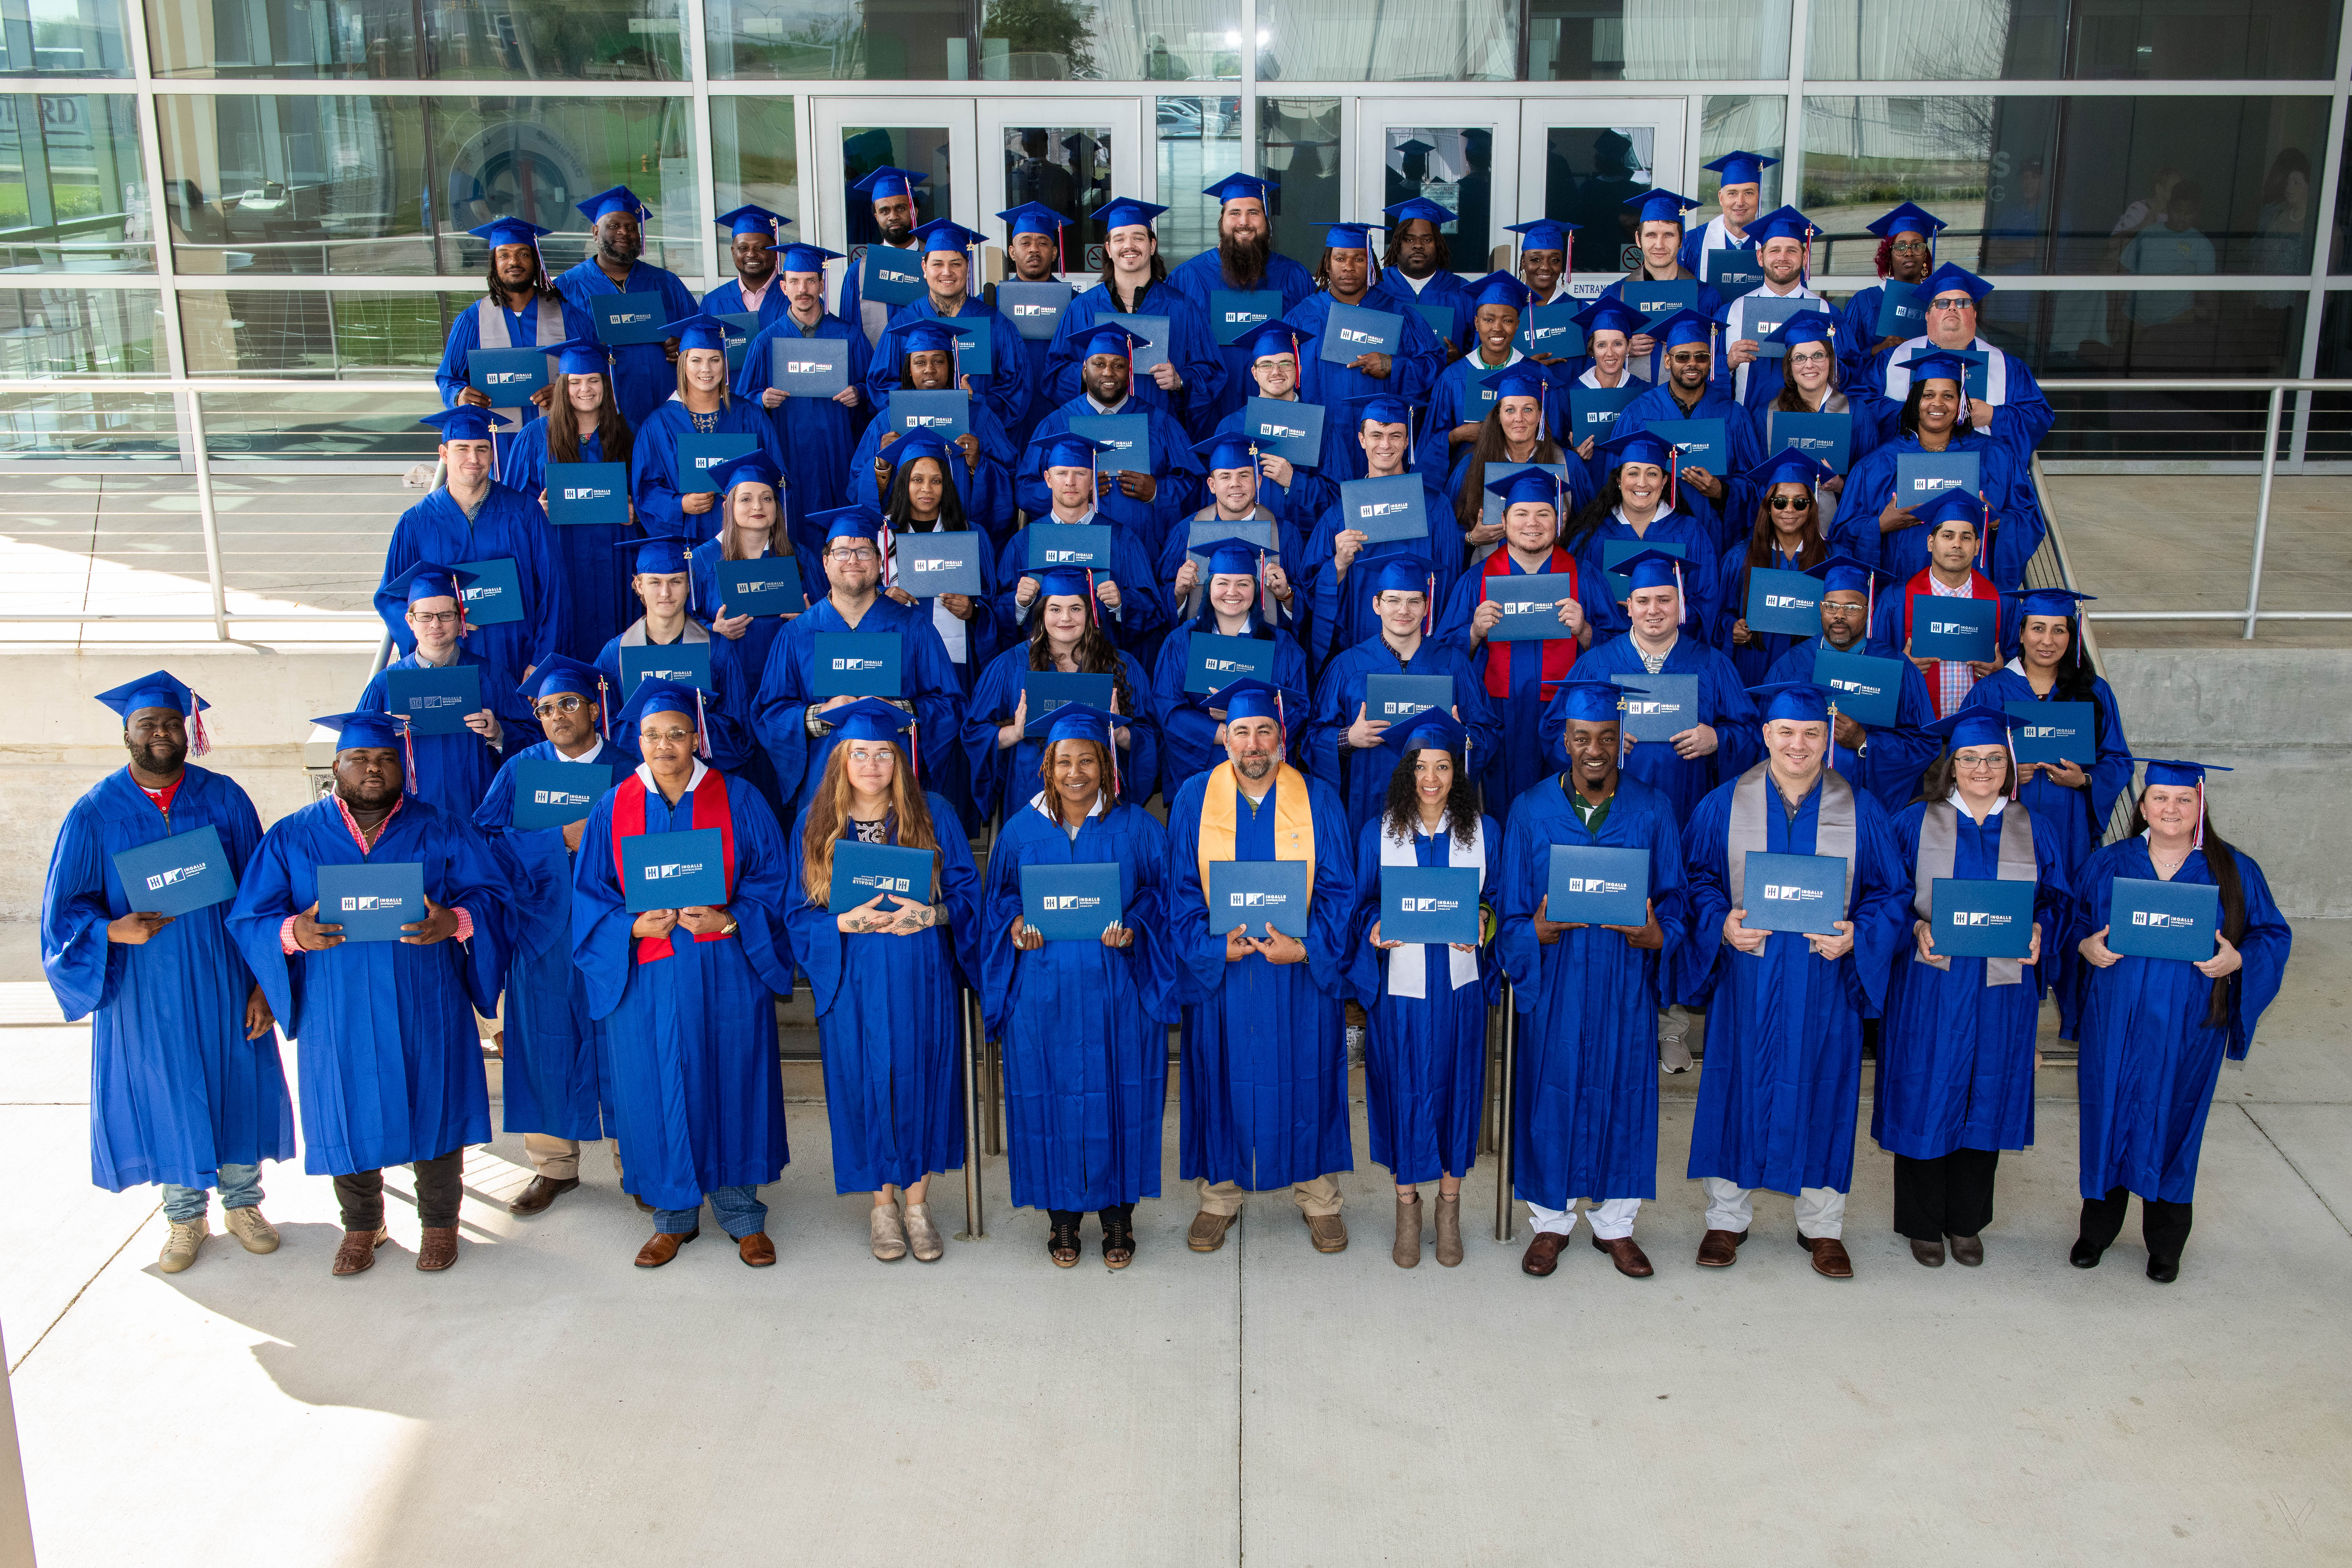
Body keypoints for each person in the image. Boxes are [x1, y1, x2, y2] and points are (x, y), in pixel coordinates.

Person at [226, 709, 511, 1277]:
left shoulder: (441, 827)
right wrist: (294, 932)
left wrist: (454, 921)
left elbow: (492, 895)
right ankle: (363, 1225)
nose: (373, 768)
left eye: (384, 758)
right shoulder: (293, 835)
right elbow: (251, 915)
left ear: (402, 764)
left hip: (425, 997)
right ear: (336, 765)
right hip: (338, 1005)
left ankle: (440, 1223)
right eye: (359, 758)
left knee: (436, 1104)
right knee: (345, 1110)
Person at [41, 673, 290, 1274]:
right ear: (126, 732)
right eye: (147, 723)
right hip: (144, 984)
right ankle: (184, 1216)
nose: (161, 732)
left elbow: (263, 894)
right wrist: (109, 930)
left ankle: (243, 1204)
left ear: (188, 731)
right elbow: (65, 906)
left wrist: (263, 981)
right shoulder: (96, 811)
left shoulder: (224, 798)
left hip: (224, 973)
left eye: (172, 723)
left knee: (236, 1080)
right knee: (166, 1088)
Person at [1679, 680, 1909, 1279]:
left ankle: (1822, 1225)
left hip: (1822, 981)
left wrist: (1858, 933)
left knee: (1824, 1089)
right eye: (1785, 731)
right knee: (1734, 1085)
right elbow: (1695, 881)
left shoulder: (1860, 809)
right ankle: (1725, 1218)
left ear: (1827, 737)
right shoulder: (1724, 804)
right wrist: (1720, 923)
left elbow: (1891, 893)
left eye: (1810, 733)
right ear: (1765, 735)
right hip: (1748, 980)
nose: (1797, 744)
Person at [569, 678, 796, 1266]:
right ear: (636, 739)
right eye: (652, 735)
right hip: (647, 977)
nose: (664, 745)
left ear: (696, 737)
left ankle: (742, 1213)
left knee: (733, 1079)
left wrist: (731, 918)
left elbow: (775, 882)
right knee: (655, 1085)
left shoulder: (739, 797)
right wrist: (630, 927)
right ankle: (672, 1216)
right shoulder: (613, 806)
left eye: (676, 733)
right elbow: (590, 895)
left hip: (724, 970)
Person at [2069, 759, 2291, 1282]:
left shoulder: (2233, 869)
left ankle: (2165, 1244)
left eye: (2183, 799)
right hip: (2115, 1021)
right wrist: (2084, 945)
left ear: (2200, 805)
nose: (2171, 808)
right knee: (2106, 1116)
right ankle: (2095, 1231)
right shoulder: (2108, 863)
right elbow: (2070, 921)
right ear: (2143, 805)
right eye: (2160, 797)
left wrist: (2238, 958)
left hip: (2189, 1027)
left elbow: (2271, 934)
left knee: (2176, 1122)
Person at [1497, 680, 1688, 1277]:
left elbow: (1676, 901)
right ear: (1565, 740)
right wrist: (1534, 931)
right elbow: (1506, 911)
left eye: (1606, 737)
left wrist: (1658, 934)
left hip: (1623, 981)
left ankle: (1616, 1225)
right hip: (1556, 982)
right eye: (1582, 737)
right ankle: (1549, 1222)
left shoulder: (1651, 808)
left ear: (1621, 739)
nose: (1595, 749)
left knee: (1623, 1091)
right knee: (1549, 1091)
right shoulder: (1530, 810)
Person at [781, 700, 983, 1263]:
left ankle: (917, 1206)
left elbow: (968, 895)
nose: (871, 764)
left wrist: (932, 915)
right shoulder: (814, 821)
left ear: (900, 758)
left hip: (919, 972)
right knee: (863, 1082)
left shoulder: (934, 812)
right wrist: (840, 922)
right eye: (859, 753)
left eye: (883, 753)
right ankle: (882, 1207)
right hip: (852, 975)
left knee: (921, 1078)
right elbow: (794, 911)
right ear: (840, 760)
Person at [979, 704, 1177, 1268]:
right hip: (1043, 991)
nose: (1075, 772)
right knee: (1048, 1095)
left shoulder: (1138, 827)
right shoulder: (1020, 831)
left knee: (1121, 1095)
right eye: (1063, 761)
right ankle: (1061, 1217)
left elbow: (1164, 899)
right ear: (1046, 767)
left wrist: (1134, 926)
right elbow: (998, 900)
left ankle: (1118, 1215)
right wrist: (1015, 924)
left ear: (1106, 765)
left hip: (1117, 989)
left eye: (1086, 760)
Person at [1166, 680, 1358, 1255]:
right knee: (1218, 1076)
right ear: (1225, 738)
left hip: (1294, 976)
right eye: (1242, 732)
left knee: (1308, 1075)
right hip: (1225, 974)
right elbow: (1179, 890)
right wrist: (1209, 947)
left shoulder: (1316, 797)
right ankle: (1218, 1197)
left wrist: (1307, 948)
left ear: (1281, 737)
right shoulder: (1194, 798)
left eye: (1264, 731)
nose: (1253, 744)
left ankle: (1319, 1197)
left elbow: (1339, 891)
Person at [1876, 710, 2071, 1268]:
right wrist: (1914, 928)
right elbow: (1884, 895)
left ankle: (1965, 1221)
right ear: (1951, 764)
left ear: (2008, 764)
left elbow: (2056, 903)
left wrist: (2040, 930)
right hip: (1930, 984)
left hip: (2000, 989)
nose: (1981, 768)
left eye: (1993, 758)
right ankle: (1921, 1223)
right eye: (1969, 758)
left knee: (1987, 1091)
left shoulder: (2033, 827)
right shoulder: (1913, 822)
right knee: (1924, 1089)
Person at [1343, 710, 1499, 1268]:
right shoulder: (1377, 832)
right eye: (1419, 767)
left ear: (1457, 772)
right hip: (1401, 995)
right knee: (1401, 1090)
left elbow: (1498, 901)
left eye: (1442, 766)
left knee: (1458, 1089)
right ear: (1404, 771)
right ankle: (1406, 1206)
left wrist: (1482, 921)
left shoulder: (1484, 831)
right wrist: (1372, 927)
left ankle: (1448, 1208)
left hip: (1459, 992)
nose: (1430, 778)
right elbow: (1360, 904)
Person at [471, 656, 619, 1216]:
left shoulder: (629, 766)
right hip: (540, 931)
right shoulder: (520, 769)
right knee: (544, 1043)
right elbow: (485, 843)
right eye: (547, 707)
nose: (558, 715)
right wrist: (557, 839)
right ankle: (554, 1165)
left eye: (569, 703)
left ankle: (635, 1161)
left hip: (614, 927)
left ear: (593, 709)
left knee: (620, 1045)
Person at [1961, 586, 2130, 1035]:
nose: (2047, 640)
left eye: (2059, 630)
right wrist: (2006, 772)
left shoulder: (2092, 693)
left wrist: (2085, 780)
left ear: (2072, 637)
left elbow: (2118, 760)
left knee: (2067, 913)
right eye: (2038, 628)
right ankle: (2006, 1023)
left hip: (2068, 828)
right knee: (2011, 914)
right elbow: (1960, 758)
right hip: (2005, 829)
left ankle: (2071, 1021)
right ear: (2020, 633)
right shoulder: (1991, 690)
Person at [752, 506, 965, 818]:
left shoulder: (913, 628)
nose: (853, 560)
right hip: (824, 790)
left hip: (896, 789)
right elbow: (770, 713)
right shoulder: (797, 634)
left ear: (879, 563)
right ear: (825, 563)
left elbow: (950, 705)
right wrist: (820, 715)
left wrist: (898, 711)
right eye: (842, 552)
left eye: (864, 552)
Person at [1435, 465, 1614, 811]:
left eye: (1544, 513)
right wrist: (1472, 634)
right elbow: (1440, 659)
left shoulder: (1585, 578)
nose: (1532, 523)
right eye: (1521, 514)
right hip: (1499, 717)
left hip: (1566, 719)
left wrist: (1586, 631)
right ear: (1504, 520)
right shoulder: (1475, 582)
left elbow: (1623, 653)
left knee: (1562, 814)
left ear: (1559, 521)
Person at [1543, 547, 1756, 827]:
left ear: (1681, 604)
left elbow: (1750, 732)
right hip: (1613, 812)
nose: (1653, 610)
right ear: (1630, 607)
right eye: (1643, 601)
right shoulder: (1597, 665)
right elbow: (1554, 730)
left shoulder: (1713, 666)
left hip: (1687, 807)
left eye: (1664, 600)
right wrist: (1596, 743)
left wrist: (1717, 738)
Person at [1308, 555, 1501, 840]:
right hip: (1369, 804)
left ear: (1426, 606)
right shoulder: (1348, 666)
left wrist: (1463, 737)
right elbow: (1313, 737)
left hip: (1438, 807)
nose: (1404, 610)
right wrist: (1349, 737)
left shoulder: (1453, 665)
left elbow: (1489, 733)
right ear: (1377, 605)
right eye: (1393, 600)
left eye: (1414, 601)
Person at [376, 405, 567, 685]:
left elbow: (554, 589)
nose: (473, 458)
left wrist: (541, 659)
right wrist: (428, 651)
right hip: (449, 664)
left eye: (482, 449)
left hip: (518, 656)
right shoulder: (416, 523)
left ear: (493, 453)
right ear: (444, 454)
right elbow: (391, 597)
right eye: (462, 449)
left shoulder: (525, 512)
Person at [965, 566, 1159, 820]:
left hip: (1100, 794)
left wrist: (1120, 733)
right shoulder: (1010, 665)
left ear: (1090, 613)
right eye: (1055, 609)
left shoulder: (1121, 665)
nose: (1065, 618)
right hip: (1032, 794)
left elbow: (1150, 737)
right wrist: (1016, 732)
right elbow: (975, 733)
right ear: (1042, 614)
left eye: (1076, 609)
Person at [1840, 349, 2041, 591]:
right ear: (1914, 401)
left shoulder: (1996, 456)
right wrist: (1880, 525)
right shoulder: (1879, 463)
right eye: (1928, 395)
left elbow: (2028, 521)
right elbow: (1843, 533)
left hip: (1971, 595)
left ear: (1961, 403)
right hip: (1902, 595)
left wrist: (1995, 521)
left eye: (1948, 396)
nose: (1938, 403)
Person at [1762, 554, 1940, 814]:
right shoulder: (1791, 666)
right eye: (1831, 606)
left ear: (1868, 610)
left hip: (1868, 808)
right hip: (1800, 805)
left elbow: (1925, 744)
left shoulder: (1896, 667)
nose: (1840, 615)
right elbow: (1766, 741)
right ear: (1821, 608)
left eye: (1852, 607)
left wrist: (1865, 741)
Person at [499, 336, 640, 661]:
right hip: (559, 557)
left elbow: (649, 492)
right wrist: (535, 510)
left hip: (616, 559)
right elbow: (511, 509)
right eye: (575, 382)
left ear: (606, 384)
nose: (585, 389)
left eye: (594, 380)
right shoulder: (535, 436)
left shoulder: (629, 432)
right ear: (563, 387)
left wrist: (637, 511)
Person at [361, 561, 537, 818]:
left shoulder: (492, 676)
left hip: (480, 811)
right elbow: (355, 752)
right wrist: (383, 733)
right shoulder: (384, 684)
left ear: (461, 618)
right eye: (425, 616)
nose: (436, 625)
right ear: (410, 621)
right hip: (408, 815)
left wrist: (499, 733)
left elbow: (536, 740)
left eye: (446, 615)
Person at [1017, 324, 1201, 566]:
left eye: (1119, 365)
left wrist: (1157, 491)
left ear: (1129, 371)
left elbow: (1194, 485)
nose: (1109, 373)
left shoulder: (1158, 423)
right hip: (1076, 554)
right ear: (1084, 370)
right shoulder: (1058, 423)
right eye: (1099, 364)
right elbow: (1026, 489)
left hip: (1143, 553)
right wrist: (1071, 493)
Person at [1044, 196, 1223, 436]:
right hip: (1098, 434)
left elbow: (1212, 371)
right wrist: (1089, 374)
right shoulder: (1083, 308)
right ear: (1109, 249)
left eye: (1138, 238)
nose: (1129, 246)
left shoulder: (1182, 308)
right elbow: (1055, 373)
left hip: (1160, 434)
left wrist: (1181, 380)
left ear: (1152, 245)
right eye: (1120, 239)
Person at [1281, 221, 1447, 480]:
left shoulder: (1397, 314)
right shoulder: (1302, 318)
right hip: (1320, 446)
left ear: (1371, 265)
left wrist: (1393, 365)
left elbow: (1434, 367)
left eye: (1359, 259)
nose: (1349, 267)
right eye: (1340, 258)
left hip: (1382, 447)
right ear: (1327, 265)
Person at [1152, 534, 1316, 791]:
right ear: (1209, 587)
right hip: (1202, 773)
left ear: (1256, 589)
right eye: (1223, 583)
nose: (1232, 592)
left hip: (1264, 771)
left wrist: (1241, 719)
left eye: (1243, 583)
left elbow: (1299, 707)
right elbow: (1168, 709)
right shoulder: (1182, 642)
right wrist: (1227, 734)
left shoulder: (1281, 645)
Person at [1298, 393, 1450, 667]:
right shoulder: (1340, 514)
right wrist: (1339, 565)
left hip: (1423, 652)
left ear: (1407, 441)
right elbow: (1309, 588)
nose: (1385, 445)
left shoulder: (1435, 509)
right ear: (1362, 440)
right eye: (1377, 435)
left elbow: (1448, 583)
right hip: (1361, 649)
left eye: (1395, 436)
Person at [1163, 173, 1320, 433]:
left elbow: (1311, 350)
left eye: (1253, 213)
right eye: (1235, 213)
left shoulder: (1294, 277)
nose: (1244, 222)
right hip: (1210, 410)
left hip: (1279, 414)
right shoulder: (1189, 278)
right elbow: (1176, 351)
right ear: (1222, 220)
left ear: (1266, 221)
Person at [434, 217, 592, 471]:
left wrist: (566, 393)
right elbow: (448, 377)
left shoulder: (569, 317)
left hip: (558, 436)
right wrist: (459, 395)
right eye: (504, 255)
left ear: (536, 261)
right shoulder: (473, 320)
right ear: (494, 264)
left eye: (523, 254)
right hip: (498, 443)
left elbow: (595, 373)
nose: (514, 262)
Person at [735, 242, 872, 534]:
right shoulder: (766, 342)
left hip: (839, 452)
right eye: (795, 281)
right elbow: (742, 405)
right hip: (788, 454)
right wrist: (762, 399)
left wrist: (859, 392)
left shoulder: (849, 337)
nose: (803, 289)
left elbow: (874, 390)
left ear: (822, 284)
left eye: (810, 280)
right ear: (783, 287)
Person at [999, 431, 1175, 657]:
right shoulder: (1024, 542)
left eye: (1080, 473)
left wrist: (1122, 604)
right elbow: (993, 614)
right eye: (1062, 473)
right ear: (1048, 479)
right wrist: (1018, 604)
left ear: (1093, 480)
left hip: (1104, 664)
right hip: (1042, 665)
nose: (1070, 482)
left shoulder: (1122, 540)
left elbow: (1153, 609)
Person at [851, 318, 1023, 549]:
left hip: (961, 538)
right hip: (900, 541)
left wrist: (978, 465)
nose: (929, 369)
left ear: (950, 366)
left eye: (939, 361)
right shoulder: (887, 421)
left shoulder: (978, 417)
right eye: (920, 362)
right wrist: (881, 465)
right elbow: (857, 488)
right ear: (909, 370)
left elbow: (1012, 479)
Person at [1863, 262, 2055, 467]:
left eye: (1963, 303)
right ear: (1928, 315)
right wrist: (1912, 413)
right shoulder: (1892, 359)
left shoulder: (2008, 367)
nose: (1953, 308)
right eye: (1942, 303)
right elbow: (1862, 404)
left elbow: (2038, 416)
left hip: (1983, 472)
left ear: (1974, 315)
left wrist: (1994, 416)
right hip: (1904, 468)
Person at [593, 534, 755, 772]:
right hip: (637, 780)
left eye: (676, 581)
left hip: (702, 778)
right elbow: (602, 729)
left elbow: (739, 730)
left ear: (689, 584)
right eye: (655, 582)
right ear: (639, 585)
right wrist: (657, 735)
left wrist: (682, 732)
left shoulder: (716, 650)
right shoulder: (615, 655)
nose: (665, 593)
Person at [1612, 307, 1765, 556]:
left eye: (1701, 357)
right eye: (1682, 357)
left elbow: (1756, 485)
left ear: (1711, 361)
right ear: (1668, 361)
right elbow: (1616, 481)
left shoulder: (1733, 416)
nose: (1692, 363)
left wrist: (1721, 491)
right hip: (1652, 538)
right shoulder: (1639, 413)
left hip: (1714, 537)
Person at [629, 312, 788, 546]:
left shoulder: (751, 416)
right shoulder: (658, 425)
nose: (706, 369)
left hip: (744, 541)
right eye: (696, 360)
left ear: (725, 364)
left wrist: (751, 494)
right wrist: (680, 504)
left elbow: (777, 477)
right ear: (683, 364)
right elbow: (645, 488)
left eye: (715, 360)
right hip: (686, 543)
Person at [864, 218, 1030, 438]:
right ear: (924, 268)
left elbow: (1016, 388)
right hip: (920, 441)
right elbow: (881, 384)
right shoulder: (904, 323)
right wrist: (925, 409)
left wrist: (975, 402)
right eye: (938, 264)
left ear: (967, 267)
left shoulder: (996, 324)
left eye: (956, 264)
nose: (947, 272)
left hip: (978, 439)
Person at [552, 186, 699, 429]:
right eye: (614, 226)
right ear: (596, 233)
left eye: (632, 227)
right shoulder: (567, 287)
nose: (624, 232)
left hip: (666, 404)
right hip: (599, 409)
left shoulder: (667, 283)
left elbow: (698, 334)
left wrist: (684, 345)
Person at [1566, 428, 1726, 641]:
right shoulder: (1592, 537)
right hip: (1608, 650)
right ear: (1619, 480)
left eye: (1652, 473)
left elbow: (1704, 601)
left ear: (1664, 481)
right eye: (1633, 473)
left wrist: (1660, 623)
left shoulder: (1689, 532)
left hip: (1673, 648)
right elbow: (1579, 602)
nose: (1642, 483)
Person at [1439, 364, 1598, 573]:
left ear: (1540, 415)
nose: (1519, 418)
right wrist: (1471, 538)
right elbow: (1444, 529)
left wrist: (1565, 536)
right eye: (1510, 410)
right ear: (1498, 416)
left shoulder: (1568, 464)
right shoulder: (1471, 466)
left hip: (1552, 577)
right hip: (1488, 577)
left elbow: (1590, 527)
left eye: (1528, 410)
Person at [1866, 489, 2004, 720]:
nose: (1957, 544)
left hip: (1977, 730)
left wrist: (2001, 671)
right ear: (1931, 543)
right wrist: (1900, 668)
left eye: (1966, 537)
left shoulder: (2000, 602)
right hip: (1914, 730)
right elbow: (1873, 669)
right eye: (1948, 536)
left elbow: (2019, 665)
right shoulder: (1895, 601)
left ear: (1978, 547)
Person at [1161, 431, 1309, 640]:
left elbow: (1309, 610)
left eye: (1244, 475)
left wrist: (1286, 595)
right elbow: (1157, 608)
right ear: (1212, 485)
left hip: (1266, 650)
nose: (1235, 484)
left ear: (1258, 481)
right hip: (1201, 649)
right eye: (1225, 476)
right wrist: (1178, 594)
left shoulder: (1284, 534)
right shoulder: (1186, 532)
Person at [1755, 310, 1876, 541]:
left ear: (1831, 360)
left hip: (1838, 534)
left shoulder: (1856, 413)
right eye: (1800, 358)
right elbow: (1755, 482)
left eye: (1818, 356)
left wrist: (1842, 485)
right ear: (1789, 366)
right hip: (1780, 534)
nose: (1809, 365)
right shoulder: (1767, 415)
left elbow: (1870, 483)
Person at [1717, 450, 1835, 686]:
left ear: (1811, 507)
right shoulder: (1740, 558)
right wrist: (1732, 628)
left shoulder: (1831, 559)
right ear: (1768, 507)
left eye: (1800, 503)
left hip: (1809, 670)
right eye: (1780, 502)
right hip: (1753, 666)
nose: (1789, 510)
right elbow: (1722, 613)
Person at [1598, 188, 1726, 384]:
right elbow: (1595, 355)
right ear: (1638, 240)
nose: (1659, 245)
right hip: (1630, 398)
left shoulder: (1705, 297)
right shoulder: (1615, 296)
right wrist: (1623, 348)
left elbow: (1717, 358)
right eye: (1651, 235)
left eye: (1669, 235)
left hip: (1687, 399)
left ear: (1681, 240)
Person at [1419, 270, 1538, 475]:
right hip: (1467, 477)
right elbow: (1432, 442)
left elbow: (1552, 437)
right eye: (1488, 320)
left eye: (1508, 321)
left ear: (1518, 325)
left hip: (1524, 479)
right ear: (1476, 323)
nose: (1498, 328)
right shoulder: (1454, 377)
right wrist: (1458, 435)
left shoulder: (1535, 375)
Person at [1720, 206, 1825, 410]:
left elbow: (1845, 374)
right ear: (1761, 257)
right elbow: (1709, 378)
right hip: (1747, 419)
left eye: (1792, 251)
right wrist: (1728, 363)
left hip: (1804, 421)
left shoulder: (1824, 313)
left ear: (1805, 258)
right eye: (1775, 250)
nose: (1783, 258)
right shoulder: (1732, 312)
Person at [989, 201, 1070, 450]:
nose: (1034, 249)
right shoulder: (991, 303)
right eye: (1025, 243)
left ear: (1054, 253)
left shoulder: (1075, 305)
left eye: (1043, 243)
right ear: (1013, 252)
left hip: (1059, 414)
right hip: (1007, 416)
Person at [1839, 202, 1946, 387]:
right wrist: (1878, 349)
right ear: (1889, 255)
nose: (1909, 253)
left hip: (1926, 391)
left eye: (1917, 246)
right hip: (1875, 394)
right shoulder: (1864, 302)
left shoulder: (1938, 302)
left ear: (1926, 255)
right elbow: (1843, 358)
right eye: (1900, 247)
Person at [1370, 196, 1476, 356]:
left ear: (1438, 245)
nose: (1418, 245)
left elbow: (1480, 352)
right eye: (1409, 239)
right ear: (1397, 244)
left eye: (1427, 239)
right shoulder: (1376, 287)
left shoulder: (1462, 292)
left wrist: (1460, 361)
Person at [838, 164, 927, 347]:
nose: (893, 217)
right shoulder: (859, 272)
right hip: (878, 366)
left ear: (915, 212)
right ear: (876, 216)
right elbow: (850, 340)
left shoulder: (937, 263)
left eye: (901, 209)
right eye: (885, 211)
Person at [1679, 150, 1777, 274]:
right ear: (1721, 198)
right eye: (1733, 194)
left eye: (1748, 193)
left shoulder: (1775, 243)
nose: (1740, 202)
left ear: (1759, 197)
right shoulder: (1694, 242)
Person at [701, 204, 792, 329]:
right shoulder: (713, 302)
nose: (751, 254)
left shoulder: (798, 297)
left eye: (761, 248)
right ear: (733, 252)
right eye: (743, 248)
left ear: (775, 252)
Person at [1506, 218, 1574, 309]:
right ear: (1523, 263)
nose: (1545, 267)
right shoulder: (1508, 307)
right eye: (1536, 260)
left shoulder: (1579, 309)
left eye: (1554, 260)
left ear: (1562, 264)